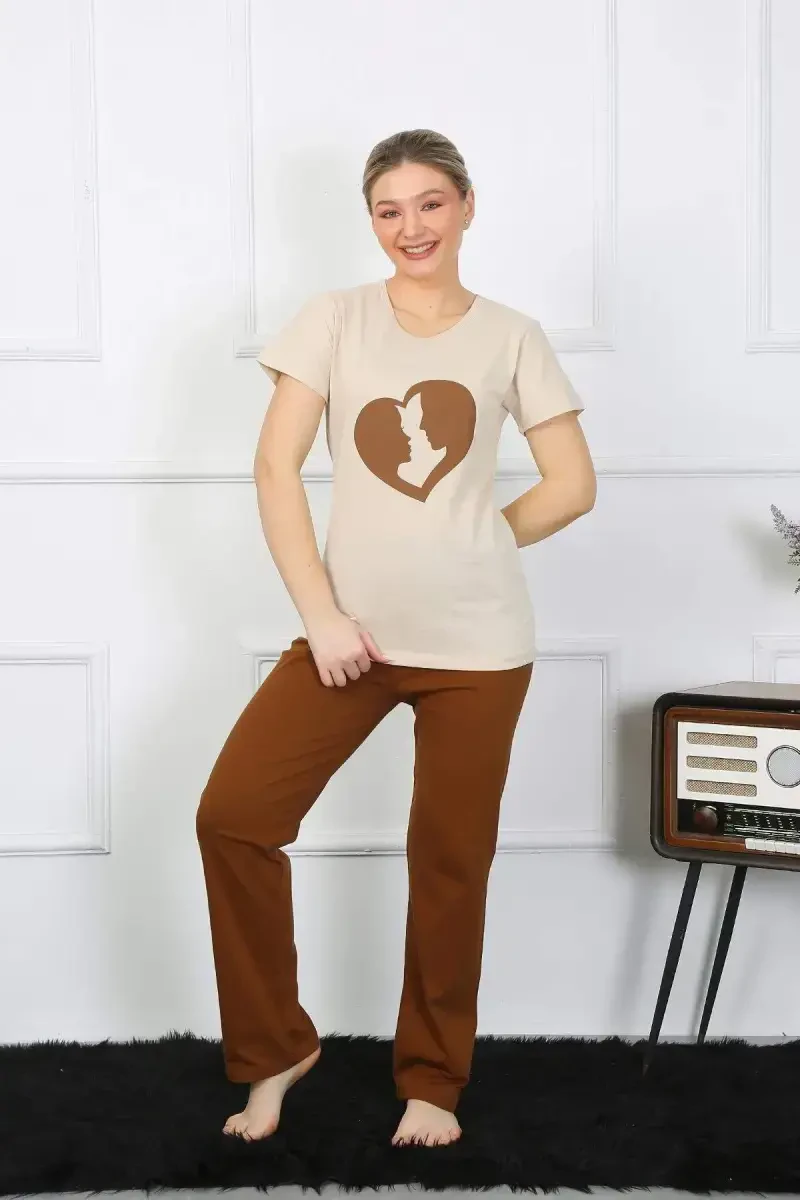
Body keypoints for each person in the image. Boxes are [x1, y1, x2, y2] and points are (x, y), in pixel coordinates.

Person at [195, 128, 596, 1147]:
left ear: (466, 205)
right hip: (353, 639)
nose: (410, 227)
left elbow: (572, 485)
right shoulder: (333, 320)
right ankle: (276, 1048)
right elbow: (275, 469)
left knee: (449, 861)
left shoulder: (511, 335)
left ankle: (432, 1080)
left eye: (429, 203)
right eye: (388, 210)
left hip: (480, 649)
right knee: (234, 816)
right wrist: (322, 616)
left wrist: (477, 539)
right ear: (370, 221)